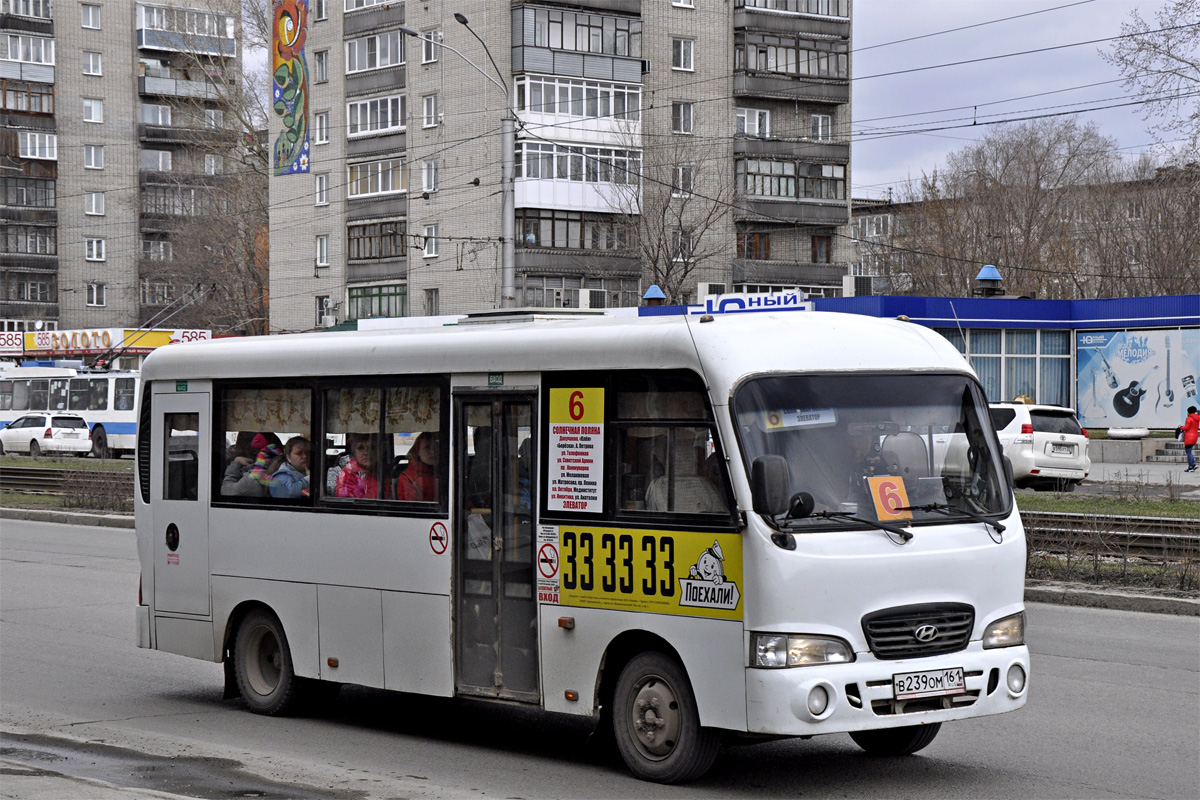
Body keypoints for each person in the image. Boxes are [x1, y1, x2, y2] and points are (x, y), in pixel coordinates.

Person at [645, 431, 725, 513]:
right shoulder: (658, 486)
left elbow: (720, 513)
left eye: (687, 455)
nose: (683, 460)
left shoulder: (704, 485)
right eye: (680, 456)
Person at [395, 431, 438, 501]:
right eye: (427, 447)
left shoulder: (448, 471)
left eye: (436, 447)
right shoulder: (408, 477)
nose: (432, 451)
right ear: (417, 451)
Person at [336, 433, 381, 498]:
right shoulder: (347, 475)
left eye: (372, 447)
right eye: (360, 448)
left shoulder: (384, 471)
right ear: (354, 451)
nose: (366, 452)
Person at [1182, 405, 1199, 473]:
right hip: (1195, 436)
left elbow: (1187, 427)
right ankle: (1193, 464)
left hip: (1189, 436)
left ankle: (1190, 466)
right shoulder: (1197, 418)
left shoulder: (1189, 418)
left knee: (1188, 452)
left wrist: (1181, 427)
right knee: (1189, 451)